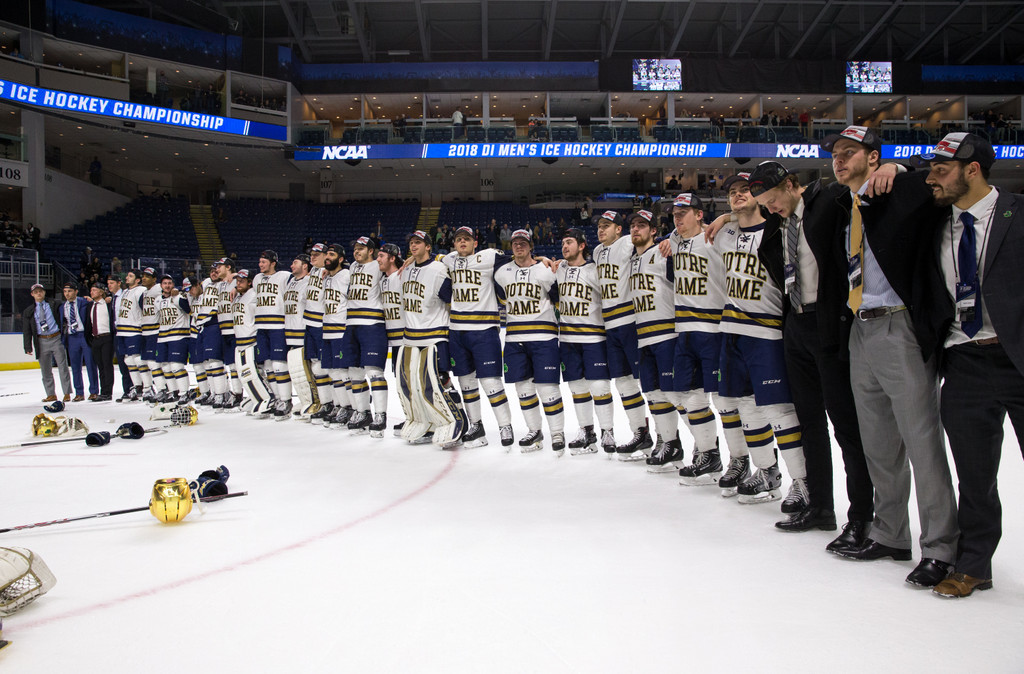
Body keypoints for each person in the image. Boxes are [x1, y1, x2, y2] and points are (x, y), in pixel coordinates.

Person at [811, 126, 959, 588]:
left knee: (921, 441)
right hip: (860, 326)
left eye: (848, 152)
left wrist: (902, 167)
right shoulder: (845, 205)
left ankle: (940, 546)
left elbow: (935, 184)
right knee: (878, 443)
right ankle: (891, 533)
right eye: (835, 154)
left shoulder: (900, 191)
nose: (839, 160)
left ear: (873, 158)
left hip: (899, 326)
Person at [745, 146, 877, 543]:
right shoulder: (777, 223)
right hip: (796, 324)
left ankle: (862, 516)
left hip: (829, 322)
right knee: (809, 424)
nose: (770, 209)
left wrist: (892, 166)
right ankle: (820, 507)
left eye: (773, 200)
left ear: (791, 185)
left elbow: (861, 189)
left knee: (845, 425)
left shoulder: (827, 202)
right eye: (764, 205)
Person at [914, 133, 1024, 598]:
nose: (931, 178)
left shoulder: (1018, 213)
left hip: (1017, 356)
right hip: (964, 360)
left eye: (942, 169)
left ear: (972, 170)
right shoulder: (934, 222)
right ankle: (975, 563)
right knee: (975, 475)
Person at [706, 171, 809, 519]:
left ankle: (803, 480)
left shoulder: (778, 229)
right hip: (732, 330)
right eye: (732, 192)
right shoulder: (724, 234)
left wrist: (727, 216)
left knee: (779, 410)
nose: (737, 195)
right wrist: (726, 217)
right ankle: (767, 471)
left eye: (745, 190)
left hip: (768, 330)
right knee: (744, 406)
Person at [655, 194, 748, 490]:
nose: (677, 218)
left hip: (714, 328)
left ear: (699, 214)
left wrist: (726, 216)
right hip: (684, 330)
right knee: (688, 398)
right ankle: (709, 455)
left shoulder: (717, 236)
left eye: (683, 213)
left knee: (724, 401)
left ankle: (740, 459)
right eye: (674, 214)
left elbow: (754, 216)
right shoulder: (674, 239)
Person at [441, 226, 514, 448]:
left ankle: (505, 426)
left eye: (467, 239)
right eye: (458, 239)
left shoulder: (489, 256)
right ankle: (476, 426)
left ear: (475, 243)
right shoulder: (448, 260)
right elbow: (431, 260)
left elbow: (519, 259)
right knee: (466, 382)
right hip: (457, 330)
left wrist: (542, 259)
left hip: (484, 330)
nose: (462, 242)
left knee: (491, 381)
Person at [494, 229, 564, 452]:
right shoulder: (502, 272)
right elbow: (501, 295)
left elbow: (558, 299)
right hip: (515, 338)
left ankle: (557, 432)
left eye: (523, 243)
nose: (519, 246)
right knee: (523, 389)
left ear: (531, 246)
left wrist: (542, 260)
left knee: (548, 389)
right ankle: (535, 431)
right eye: (515, 243)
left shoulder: (545, 271)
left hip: (544, 336)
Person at [591, 210, 651, 457]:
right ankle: (640, 434)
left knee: (648, 383)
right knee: (624, 383)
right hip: (610, 325)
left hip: (630, 321)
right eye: (599, 226)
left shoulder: (627, 242)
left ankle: (668, 437)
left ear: (619, 229)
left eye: (607, 225)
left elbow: (648, 243)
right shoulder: (596, 251)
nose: (601, 229)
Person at [397, 230, 463, 447]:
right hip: (411, 336)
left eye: (418, 242)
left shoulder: (438, 269)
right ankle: (430, 424)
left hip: (434, 334)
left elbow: (450, 299)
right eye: (411, 243)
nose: (413, 246)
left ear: (428, 246)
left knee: (438, 382)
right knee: (415, 386)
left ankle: (457, 420)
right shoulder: (406, 269)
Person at [556, 228, 614, 455]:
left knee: (599, 386)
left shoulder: (595, 270)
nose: (564, 246)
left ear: (581, 246)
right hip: (568, 338)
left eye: (569, 242)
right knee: (577, 387)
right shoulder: (559, 269)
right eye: (563, 242)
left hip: (594, 337)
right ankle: (586, 432)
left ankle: (607, 431)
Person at [344, 237, 389, 436]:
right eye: (355, 248)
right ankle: (363, 413)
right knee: (354, 373)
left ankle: (380, 415)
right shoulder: (353, 266)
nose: (357, 251)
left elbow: (395, 263)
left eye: (361, 248)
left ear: (371, 251)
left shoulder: (378, 265)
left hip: (372, 323)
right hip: (351, 323)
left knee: (374, 372)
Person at [252, 250, 293, 418]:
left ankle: (286, 400)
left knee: (279, 365)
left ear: (273, 263)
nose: (260, 265)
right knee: (268, 366)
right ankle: (276, 399)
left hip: (278, 325)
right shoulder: (256, 278)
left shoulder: (284, 276)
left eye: (264, 262)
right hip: (261, 327)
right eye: (260, 262)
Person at [23, 283, 71, 403]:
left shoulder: (55, 303)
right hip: (41, 341)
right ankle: (51, 394)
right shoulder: (29, 311)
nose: (39, 294)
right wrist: (27, 346)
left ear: (44, 292)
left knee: (63, 367)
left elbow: (69, 304)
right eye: (36, 292)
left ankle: (67, 393)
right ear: (32, 294)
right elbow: (27, 330)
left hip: (56, 338)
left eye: (40, 291)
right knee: (45, 370)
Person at [155, 275, 191, 404]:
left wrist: (179, 294)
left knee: (177, 366)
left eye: (169, 283)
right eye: (165, 283)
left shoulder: (179, 298)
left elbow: (189, 310)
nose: (167, 286)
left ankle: (184, 393)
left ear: (173, 285)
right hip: (163, 336)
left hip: (178, 336)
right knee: (165, 367)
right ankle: (173, 392)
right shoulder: (157, 300)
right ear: (161, 285)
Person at [61, 281, 98, 402]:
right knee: (75, 366)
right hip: (72, 337)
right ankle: (79, 393)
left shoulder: (84, 302)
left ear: (76, 292)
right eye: (65, 291)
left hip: (84, 335)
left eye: (70, 291)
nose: (67, 294)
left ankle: (94, 391)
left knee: (90, 364)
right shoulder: (62, 307)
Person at [106, 274, 133, 400]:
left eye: (111, 283)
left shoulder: (125, 295)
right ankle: (127, 389)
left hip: (128, 331)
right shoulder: (112, 298)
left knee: (131, 362)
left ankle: (135, 388)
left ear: (119, 283)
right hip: (117, 333)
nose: (109, 286)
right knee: (122, 363)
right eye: (108, 283)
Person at [87, 283, 115, 401]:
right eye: (91, 290)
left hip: (107, 337)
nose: (91, 292)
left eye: (94, 290)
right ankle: (103, 391)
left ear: (101, 292)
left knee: (107, 365)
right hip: (95, 339)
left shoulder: (108, 304)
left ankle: (107, 392)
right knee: (100, 366)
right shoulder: (90, 305)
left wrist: (111, 298)